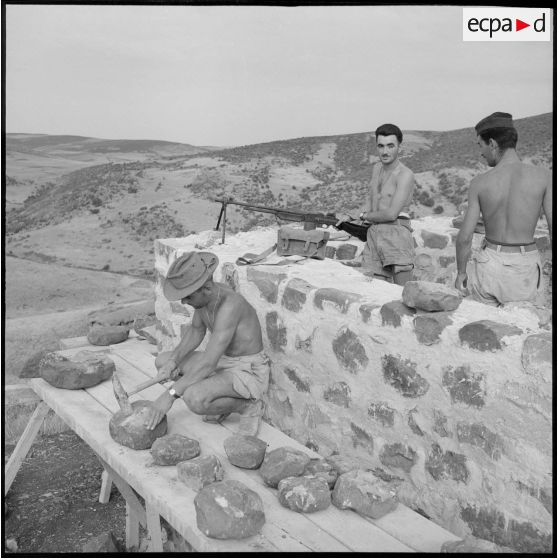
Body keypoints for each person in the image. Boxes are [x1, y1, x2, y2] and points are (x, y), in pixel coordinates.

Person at [144, 251, 270, 436]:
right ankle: (217, 393)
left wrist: (169, 396)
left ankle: (248, 406)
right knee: (163, 361)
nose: (184, 301)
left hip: (246, 369)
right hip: (223, 360)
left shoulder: (230, 305)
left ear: (207, 288)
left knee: (194, 398)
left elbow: (208, 363)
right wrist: (173, 362)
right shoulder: (205, 299)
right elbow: (196, 331)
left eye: (188, 296)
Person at [455, 111, 552, 306]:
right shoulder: (544, 177)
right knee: (525, 327)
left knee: (484, 330)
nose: (480, 153)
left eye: (480, 145)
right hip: (524, 268)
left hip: (488, 263)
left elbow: (464, 237)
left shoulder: (479, 183)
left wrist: (461, 273)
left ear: (492, 143)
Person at [358, 123, 416, 285]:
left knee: (402, 294)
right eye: (381, 146)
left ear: (399, 147)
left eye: (390, 146)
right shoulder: (377, 168)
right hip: (374, 234)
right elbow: (373, 200)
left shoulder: (405, 174)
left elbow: (391, 213)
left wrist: (364, 216)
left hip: (397, 233)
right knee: (373, 292)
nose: (385, 151)